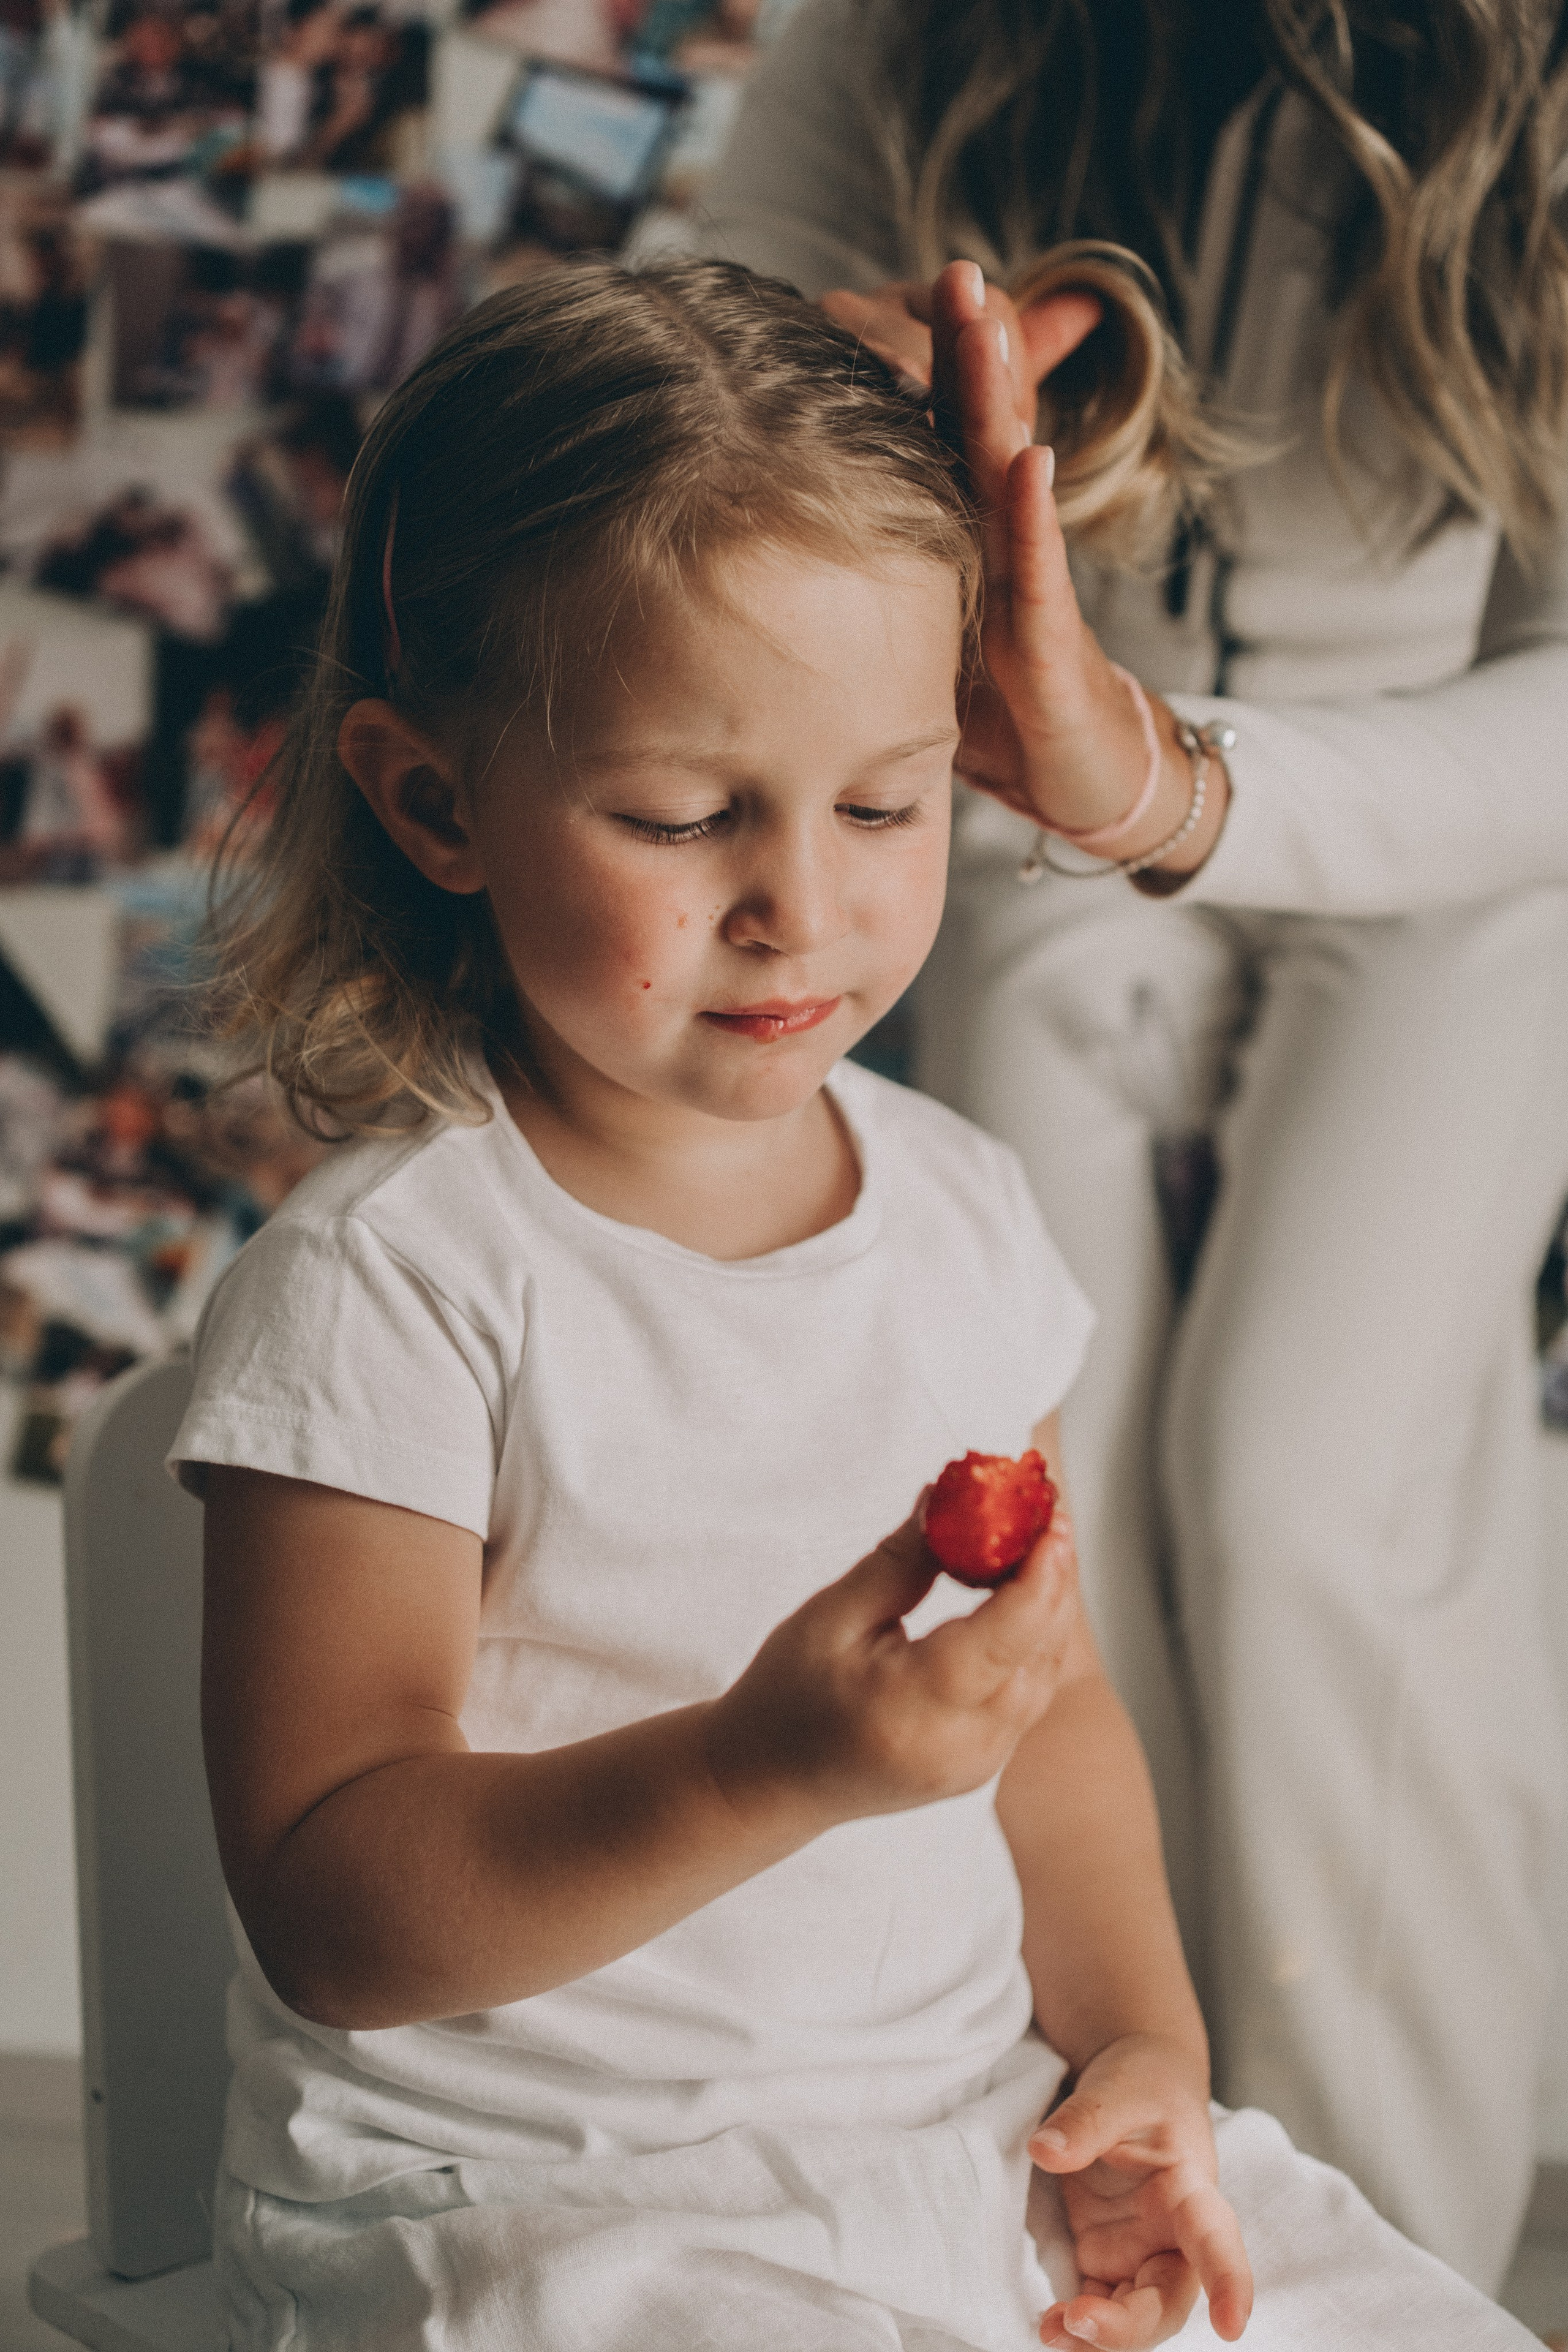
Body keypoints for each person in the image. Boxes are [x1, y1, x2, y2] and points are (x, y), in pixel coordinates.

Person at [166, 258, 1541, 2352]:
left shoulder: (968, 1213)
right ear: (436, 799)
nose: (801, 900)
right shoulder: (397, 1285)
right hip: (538, 2208)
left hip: (949, 2140)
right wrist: (759, 1769)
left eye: (885, 802)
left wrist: (1144, 2061)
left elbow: (1050, 1719)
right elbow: (337, 1906)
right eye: (683, 812)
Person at [687, 0, 1568, 2292]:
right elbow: (696, 374)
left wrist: (1170, 784)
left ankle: (1400, 2279)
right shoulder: (902, 43)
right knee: (1033, 1524)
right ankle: (1125, 2189)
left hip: (1469, 833)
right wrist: (820, 391)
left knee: (1304, 1495)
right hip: (1007, 802)